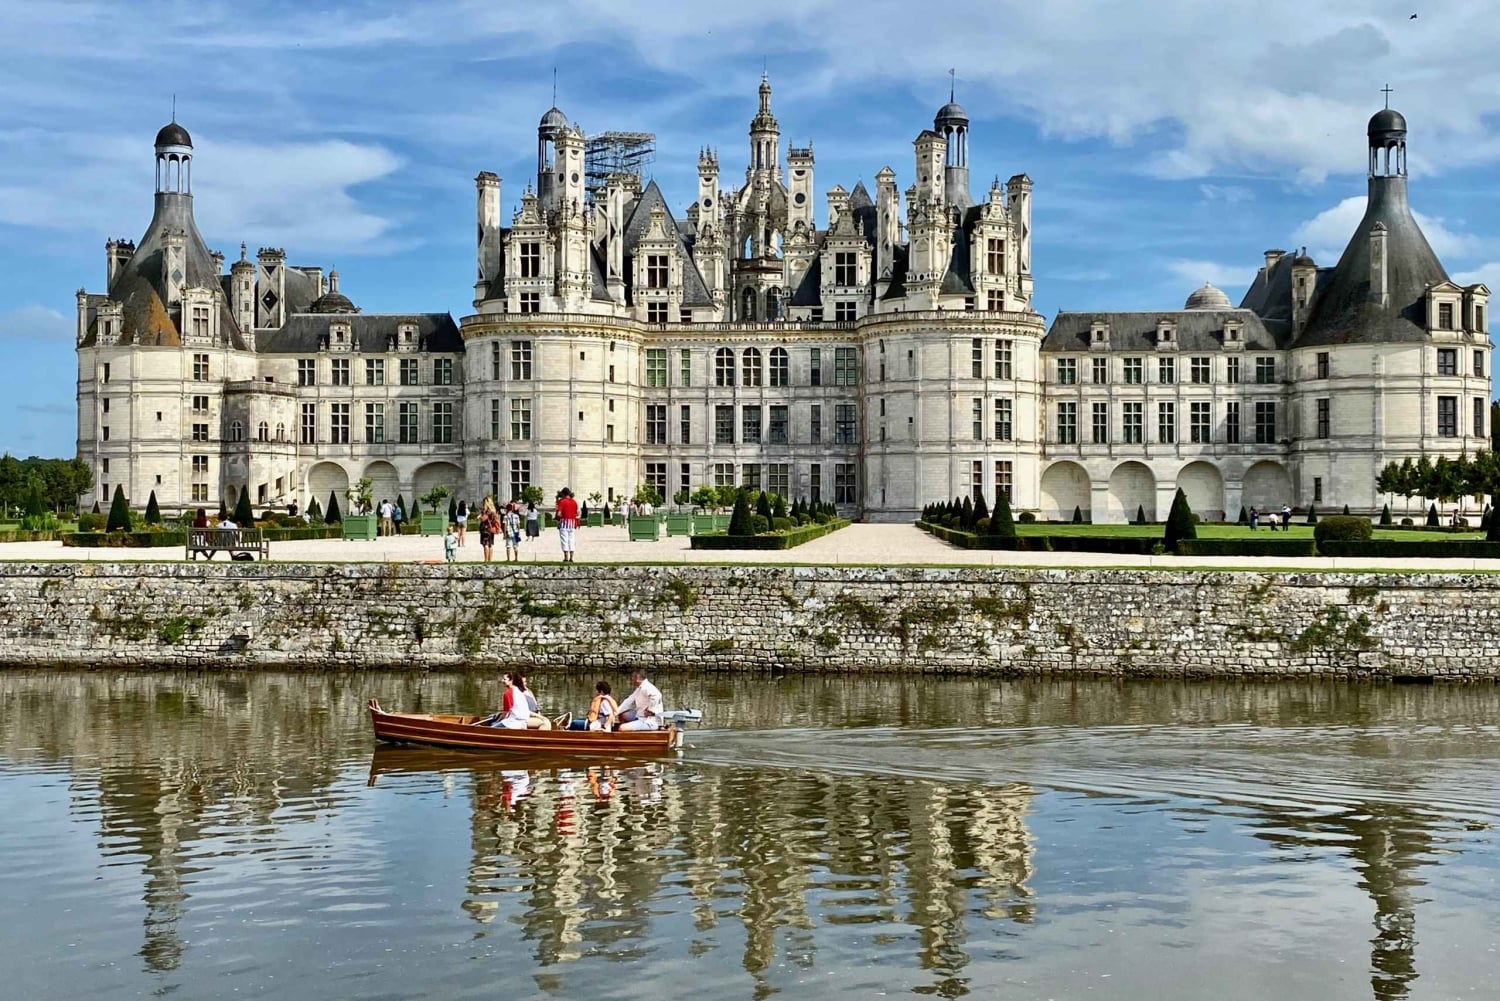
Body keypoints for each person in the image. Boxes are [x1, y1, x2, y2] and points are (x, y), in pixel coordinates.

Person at [556, 487, 580, 562]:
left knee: (564, 539)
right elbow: (578, 513)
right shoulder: (574, 502)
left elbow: (559, 514)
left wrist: (558, 518)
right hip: (572, 523)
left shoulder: (562, 501)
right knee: (571, 539)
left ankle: (566, 557)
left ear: (563, 494)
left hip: (564, 522)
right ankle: (571, 557)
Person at [478, 497, 498, 562]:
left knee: (485, 544)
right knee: (490, 544)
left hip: (485, 529)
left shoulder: (486, 511)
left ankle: (486, 559)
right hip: (491, 528)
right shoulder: (494, 511)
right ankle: (490, 559)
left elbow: (483, 518)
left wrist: (480, 516)